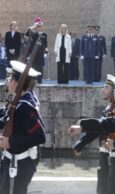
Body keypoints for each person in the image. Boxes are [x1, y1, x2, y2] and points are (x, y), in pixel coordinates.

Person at [0, 61, 46, 194]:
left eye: (10, 79)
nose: (7, 81)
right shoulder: (17, 102)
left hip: (19, 165)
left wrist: (10, 142)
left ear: (15, 83)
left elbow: (40, 136)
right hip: (10, 160)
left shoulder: (25, 107)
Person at [72, 74, 115, 194]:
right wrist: (81, 143)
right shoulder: (108, 110)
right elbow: (98, 129)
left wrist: (81, 143)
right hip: (104, 157)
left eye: (106, 87)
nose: (103, 90)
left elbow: (101, 127)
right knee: (102, 188)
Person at [26, 17, 48, 84]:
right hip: (33, 53)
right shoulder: (33, 34)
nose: (39, 27)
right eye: (38, 26)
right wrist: (34, 26)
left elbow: (46, 44)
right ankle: (33, 80)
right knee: (33, 67)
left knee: (40, 67)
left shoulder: (44, 34)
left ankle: (40, 80)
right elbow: (27, 33)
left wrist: (46, 52)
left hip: (40, 53)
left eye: (40, 26)